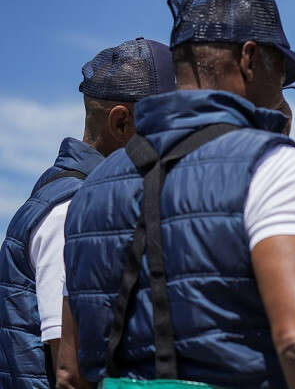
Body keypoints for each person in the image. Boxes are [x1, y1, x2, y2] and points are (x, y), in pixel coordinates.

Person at [60, 0, 295, 389]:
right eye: (281, 69)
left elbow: (70, 372)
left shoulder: (90, 192)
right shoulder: (270, 164)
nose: (281, 95)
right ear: (250, 59)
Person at [0, 38, 174, 389]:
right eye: (163, 126)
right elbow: (72, 374)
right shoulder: (72, 210)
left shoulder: (69, 196)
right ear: (122, 122)